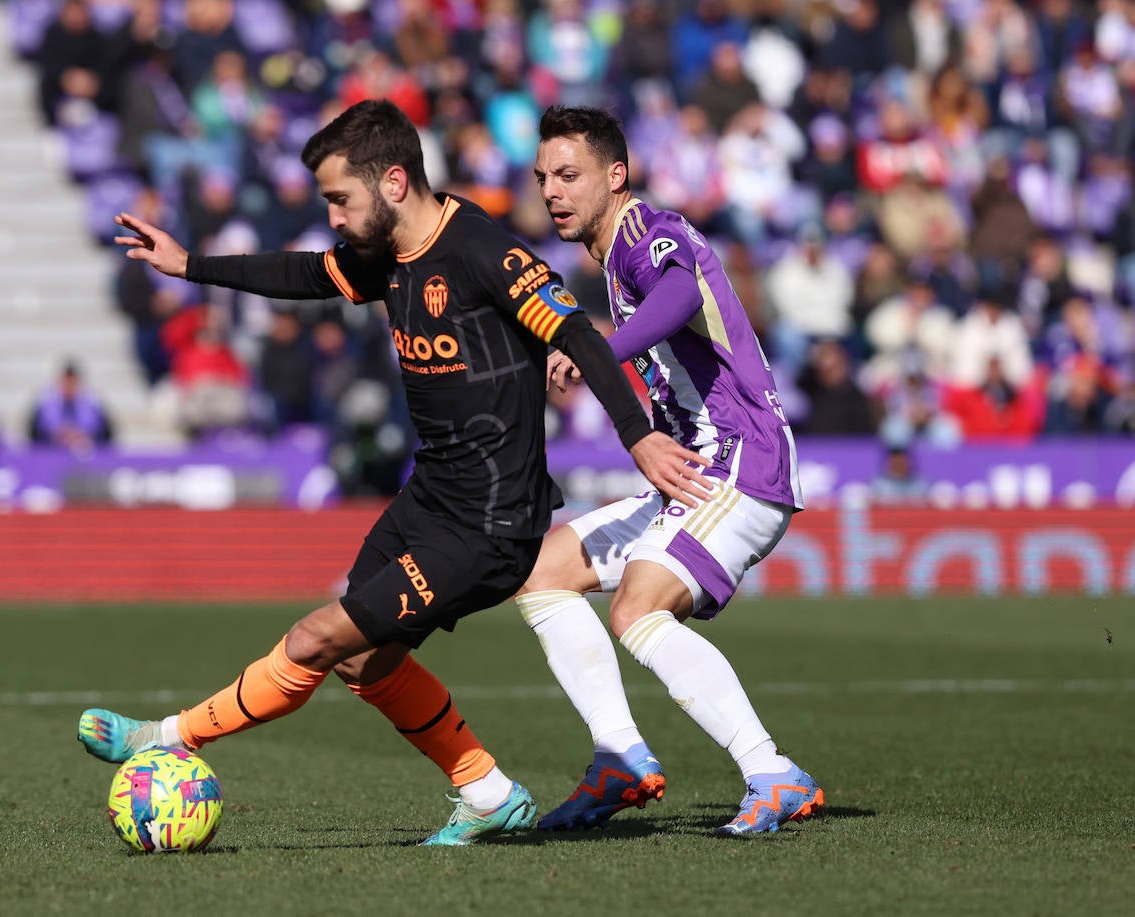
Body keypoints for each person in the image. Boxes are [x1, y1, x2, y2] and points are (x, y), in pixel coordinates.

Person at [76, 100, 705, 846]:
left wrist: (637, 437)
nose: (335, 216)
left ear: (395, 181)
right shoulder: (389, 257)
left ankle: (169, 735)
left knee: (317, 636)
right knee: (363, 662)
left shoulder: (481, 252)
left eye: (341, 198)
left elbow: (575, 331)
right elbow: (307, 274)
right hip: (430, 498)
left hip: (490, 521)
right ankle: (487, 791)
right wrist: (190, 265)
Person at [514, 105, 822, 836]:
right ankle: (619, 756)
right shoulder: (610, 259)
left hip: (743, 459)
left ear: (615, 176)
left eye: (568, 175)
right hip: (691, 466)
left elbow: (680, 293)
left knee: (636, 610)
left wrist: (600, 347)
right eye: (542, 178)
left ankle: (769, 769)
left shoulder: (647, 232)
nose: (552, 191)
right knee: (542, 572)